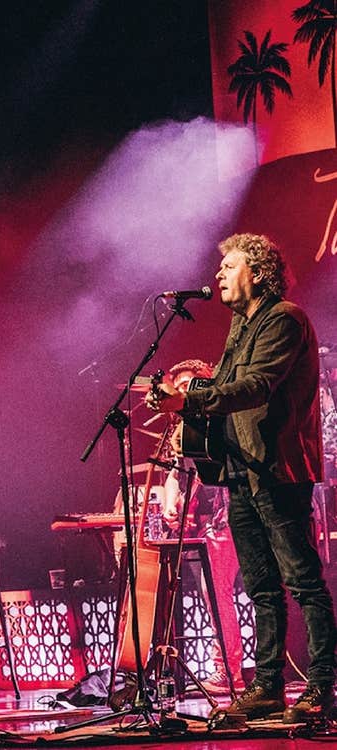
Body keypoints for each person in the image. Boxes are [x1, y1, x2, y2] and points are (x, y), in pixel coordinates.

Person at [147, 233, 332, 722]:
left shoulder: (284, 319)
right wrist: (175, 391)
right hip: (241, 470)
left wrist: (188, 400)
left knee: (303, 581)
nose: (218, 276)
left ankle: (321, 688)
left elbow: (254, 387)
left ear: (257, 271)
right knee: (261, 586)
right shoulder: (241, 324)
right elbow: (222, 385)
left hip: (278, 468)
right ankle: (268, 687)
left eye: (229, 267)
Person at [158, 358, 245, 696]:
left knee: (221, 593)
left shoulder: (223, 419)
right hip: (211, 525)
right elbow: (176, 473)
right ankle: (227, 670)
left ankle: (230, 671)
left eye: (188, 388)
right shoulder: (184, 427)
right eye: (177, 390)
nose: (182, 396)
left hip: (232, 516)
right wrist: (171, 501)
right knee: (215, 594)